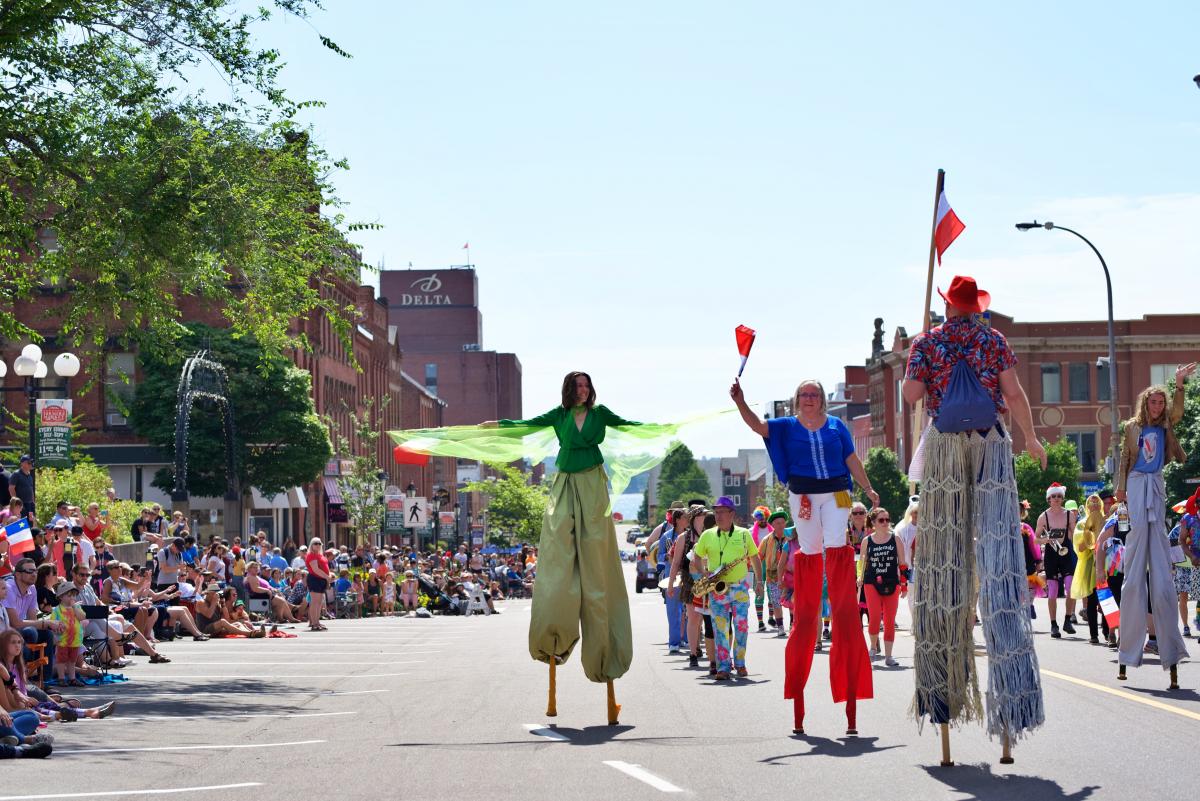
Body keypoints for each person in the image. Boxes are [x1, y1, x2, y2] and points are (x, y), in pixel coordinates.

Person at [902, 274, 1046, 759]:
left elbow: (910, 396)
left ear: (947, 305)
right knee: (999, 557)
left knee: (945, 566)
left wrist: (916, 360)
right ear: (975, 305)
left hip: (945, 448)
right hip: (990, 445)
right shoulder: (992, 338)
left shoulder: (929, 342)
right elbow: (1016, 395)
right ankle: (1011, 706)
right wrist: (1030, 437)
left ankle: (941, 695)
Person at [488, 371, 640, 724]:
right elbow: (525, 425)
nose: (584, 391)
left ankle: (606, 662)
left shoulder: (601, 415)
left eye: (587, 386)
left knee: (597, 571)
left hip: (593, 488)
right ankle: (553, 642)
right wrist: (495, 424)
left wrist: (662, 428)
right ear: (570, 391)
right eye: (578, 386)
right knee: (558, 561)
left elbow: (629, 425)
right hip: (566, 486)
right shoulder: (559, 416)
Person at [731, 376, 875, 735]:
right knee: (810, 550)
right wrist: (740, 402)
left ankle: (838, 581)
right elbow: (756, 426)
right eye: (804, 395)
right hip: (803, 495)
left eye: (814, 395)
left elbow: (852, 458)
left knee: (837, 545)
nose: (809, 399)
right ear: (796, 401)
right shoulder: (785, 426)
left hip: (838, 492)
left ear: (822, 400)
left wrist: (869, 488)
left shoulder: (837, 426)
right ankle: (809, 598)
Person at [1114, 365, 1195, 688]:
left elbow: (1178, 410)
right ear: (1145, 404)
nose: (1158, 407)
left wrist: (1178, 384)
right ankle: (1129, 648)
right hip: (1135, 482)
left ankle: (1166, 643)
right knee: (1136, 555)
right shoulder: (1132, 427)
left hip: (1156, 482)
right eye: (1154, 402)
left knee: (1159, 562)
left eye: (1161, 403)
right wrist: (1120, 490)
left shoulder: (1165, 426)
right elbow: (1124, 459)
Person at [693, 496, 764, 681]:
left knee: (741, 627)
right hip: (717, 589)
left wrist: (759, 582)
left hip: (739, 587)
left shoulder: (743, 534)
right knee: (720, 630)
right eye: (716, 512)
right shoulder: (707, 535)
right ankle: (723, 667)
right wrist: (704, 573)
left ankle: (740, 663)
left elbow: (755, 558)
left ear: (732, 514)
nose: (718, 516)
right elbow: (697, 557)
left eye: (722, 512)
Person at [858, 508, 907, 667]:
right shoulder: (867, 541)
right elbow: (862, 562)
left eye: (887, 519)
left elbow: (903, 564)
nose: (885, 523)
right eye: (881, 520)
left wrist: (904, 585)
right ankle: (873, 646)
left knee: (889, 620)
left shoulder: (895, 539)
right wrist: (859, 576)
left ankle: (889, 656)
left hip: (892, 582)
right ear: (873, 523)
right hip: (871, 582)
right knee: (874, 618)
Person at [1035, 483, 1079, 638]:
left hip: (1066, 553)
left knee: (1070, 587)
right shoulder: (1043, 516)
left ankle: (1068, 620)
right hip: (1051, 554)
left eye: (1059, 496)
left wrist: (1078, 542)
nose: (1056, 499)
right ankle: (1054, 624)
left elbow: (1074, 535)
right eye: (1054, 496)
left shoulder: (1069, 515)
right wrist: (1046, 539)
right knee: (1052, 591)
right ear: (1049, 498)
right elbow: (1036, 539)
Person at [3, 558, 61, 666]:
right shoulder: (8, 588)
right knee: (31, 632)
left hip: (18, 631)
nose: (34, 574)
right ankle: (23, 673)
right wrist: (46, 623)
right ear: (18, 575)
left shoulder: (32, 588)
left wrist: (52, 625)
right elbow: (14, 623)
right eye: (29, 571)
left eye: (35, 571)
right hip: (5, 631)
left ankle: (43, 677)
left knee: (47, 634)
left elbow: (32, 619)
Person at [1071, 494, 1105, 645]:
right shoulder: (1081, 524)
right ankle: (1093, 634)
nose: (1094, 505)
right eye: (1091, 503)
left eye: (1097, 503)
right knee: (1092, 601)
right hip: (1089, 565)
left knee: (1106, 599)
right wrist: (1090, 534)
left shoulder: (1107, 521)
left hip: (1105, 564)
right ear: (1087, 506)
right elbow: (1079, 547)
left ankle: (1107, 631)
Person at [757, 509, 791, 635]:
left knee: (792, 601)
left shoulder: (791, 537)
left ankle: (793, 624)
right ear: (773, 525)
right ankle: (781, 627)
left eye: (782, 522)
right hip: (773, 576)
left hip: (790, 575)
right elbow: (759, 556)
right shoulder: (766, 540)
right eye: (777, 523)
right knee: (776, 602)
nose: (781, 525)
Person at [49, 581, 86, 686]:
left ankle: (72, 678)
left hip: (75, 640)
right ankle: (61, 678)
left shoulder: (77, 608)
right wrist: (55, 634)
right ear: (60, 597)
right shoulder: (57, 610)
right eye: (69, 595)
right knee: (61, 660)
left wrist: (75, 607)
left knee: (72, 661)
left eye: (74, 595)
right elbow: (52, 623)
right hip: (62, 640)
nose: (72, 598)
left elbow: (82, 617)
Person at [1178, 488, 1200, 637]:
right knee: (1199, 596)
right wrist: (1191, 556)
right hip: (1197, 562)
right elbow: (1181, 540)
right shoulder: (1188, 519)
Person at [304, 537, 330, 631]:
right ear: (311, 545)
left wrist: (327, 578)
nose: (318, 545)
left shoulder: (321, 555)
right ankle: (314, 623)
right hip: (315, 579)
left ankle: (317, 622)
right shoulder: (311, 555)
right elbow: (315, 569)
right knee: (315, 602)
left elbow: (325, 568)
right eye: (315, 543)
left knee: (319, 603)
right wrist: (327, 577)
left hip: (321, 580)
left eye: (319, 543)